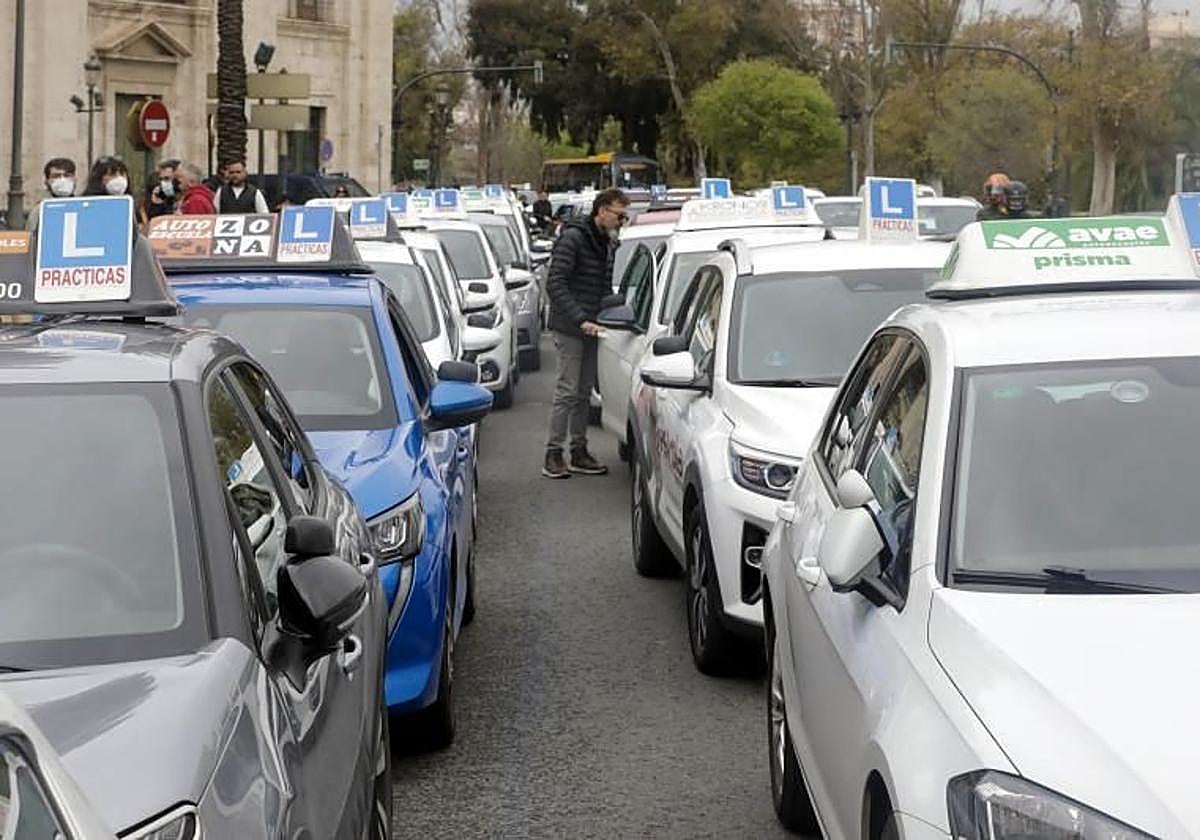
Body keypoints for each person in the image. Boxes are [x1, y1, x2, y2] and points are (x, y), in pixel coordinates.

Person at [543, 187, 630, 479]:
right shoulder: (574, 238)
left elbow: (603, 288)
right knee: (568, 390)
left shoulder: (606, 242)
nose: (622, 221)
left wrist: (610, 317)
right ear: (602, 210)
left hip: (593, 326)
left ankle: (578, 451)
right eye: (619, 215)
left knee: (583, 393)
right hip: (570, 325)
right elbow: (555, 283)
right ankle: (553, 453)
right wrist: (581, 319)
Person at [27, 157, 76, 231]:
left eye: (67, 175)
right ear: (46, 181)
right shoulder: (39, 211)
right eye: (56, 176)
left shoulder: (85, 206)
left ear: (75, 178)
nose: (62, 180)